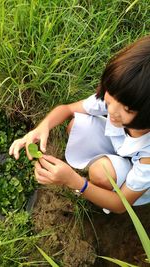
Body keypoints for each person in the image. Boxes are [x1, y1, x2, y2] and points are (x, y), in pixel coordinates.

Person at [9, 36, 150, 214]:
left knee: (101, 173)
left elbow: (121, 205)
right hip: (120, 146)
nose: (112, 110)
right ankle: (97, 173)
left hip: (133, 185)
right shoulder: (120, 98)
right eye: (110, 96)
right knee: (75, 125)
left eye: (127, 109)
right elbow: (67, 109)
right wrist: (41, 127)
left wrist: (74, 182)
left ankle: (96, 189)